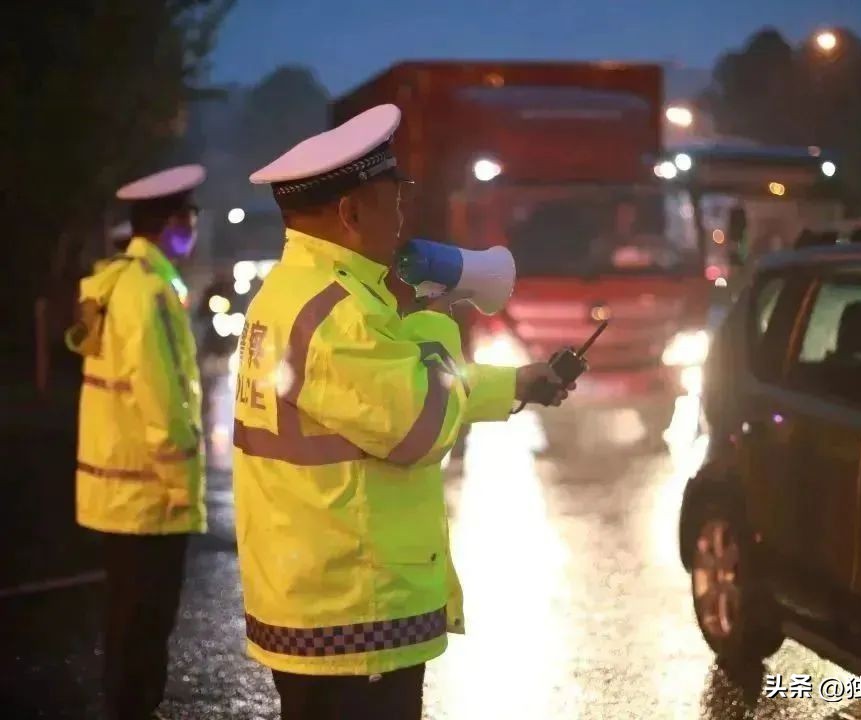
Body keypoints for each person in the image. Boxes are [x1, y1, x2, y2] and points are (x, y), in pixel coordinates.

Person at [232, 104, 571, 720]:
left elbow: (387, 392)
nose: (403, 216)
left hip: (319, 591)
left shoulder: (303, 293)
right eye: (393, 200)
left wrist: (512, 384)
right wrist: (435, 319)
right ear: (350, 211)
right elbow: (420, 424)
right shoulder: (338, 312)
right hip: (355, 609)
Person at [66, 165, 207, 720]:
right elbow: (161, 401)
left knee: (129, 627)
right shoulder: (148, 293)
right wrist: (181, 487)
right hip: (149, 498)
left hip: (121, 491)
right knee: (143, 632)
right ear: (171, 223)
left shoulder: (118, 282)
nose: (192, 230)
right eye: (190, 219)